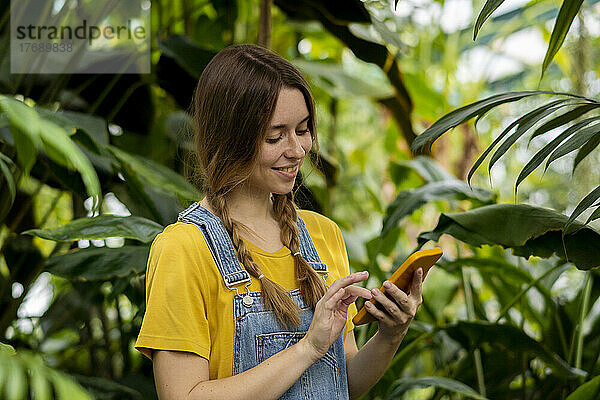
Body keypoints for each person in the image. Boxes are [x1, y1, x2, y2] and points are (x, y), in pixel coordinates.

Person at [134, 44, 424, 400]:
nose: (298, 149)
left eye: (303, 130)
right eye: (275, 136)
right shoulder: (184, 249)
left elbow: (342, 383)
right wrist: (306, 348)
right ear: (230, 139)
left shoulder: (323, 235)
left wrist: (391, 334)